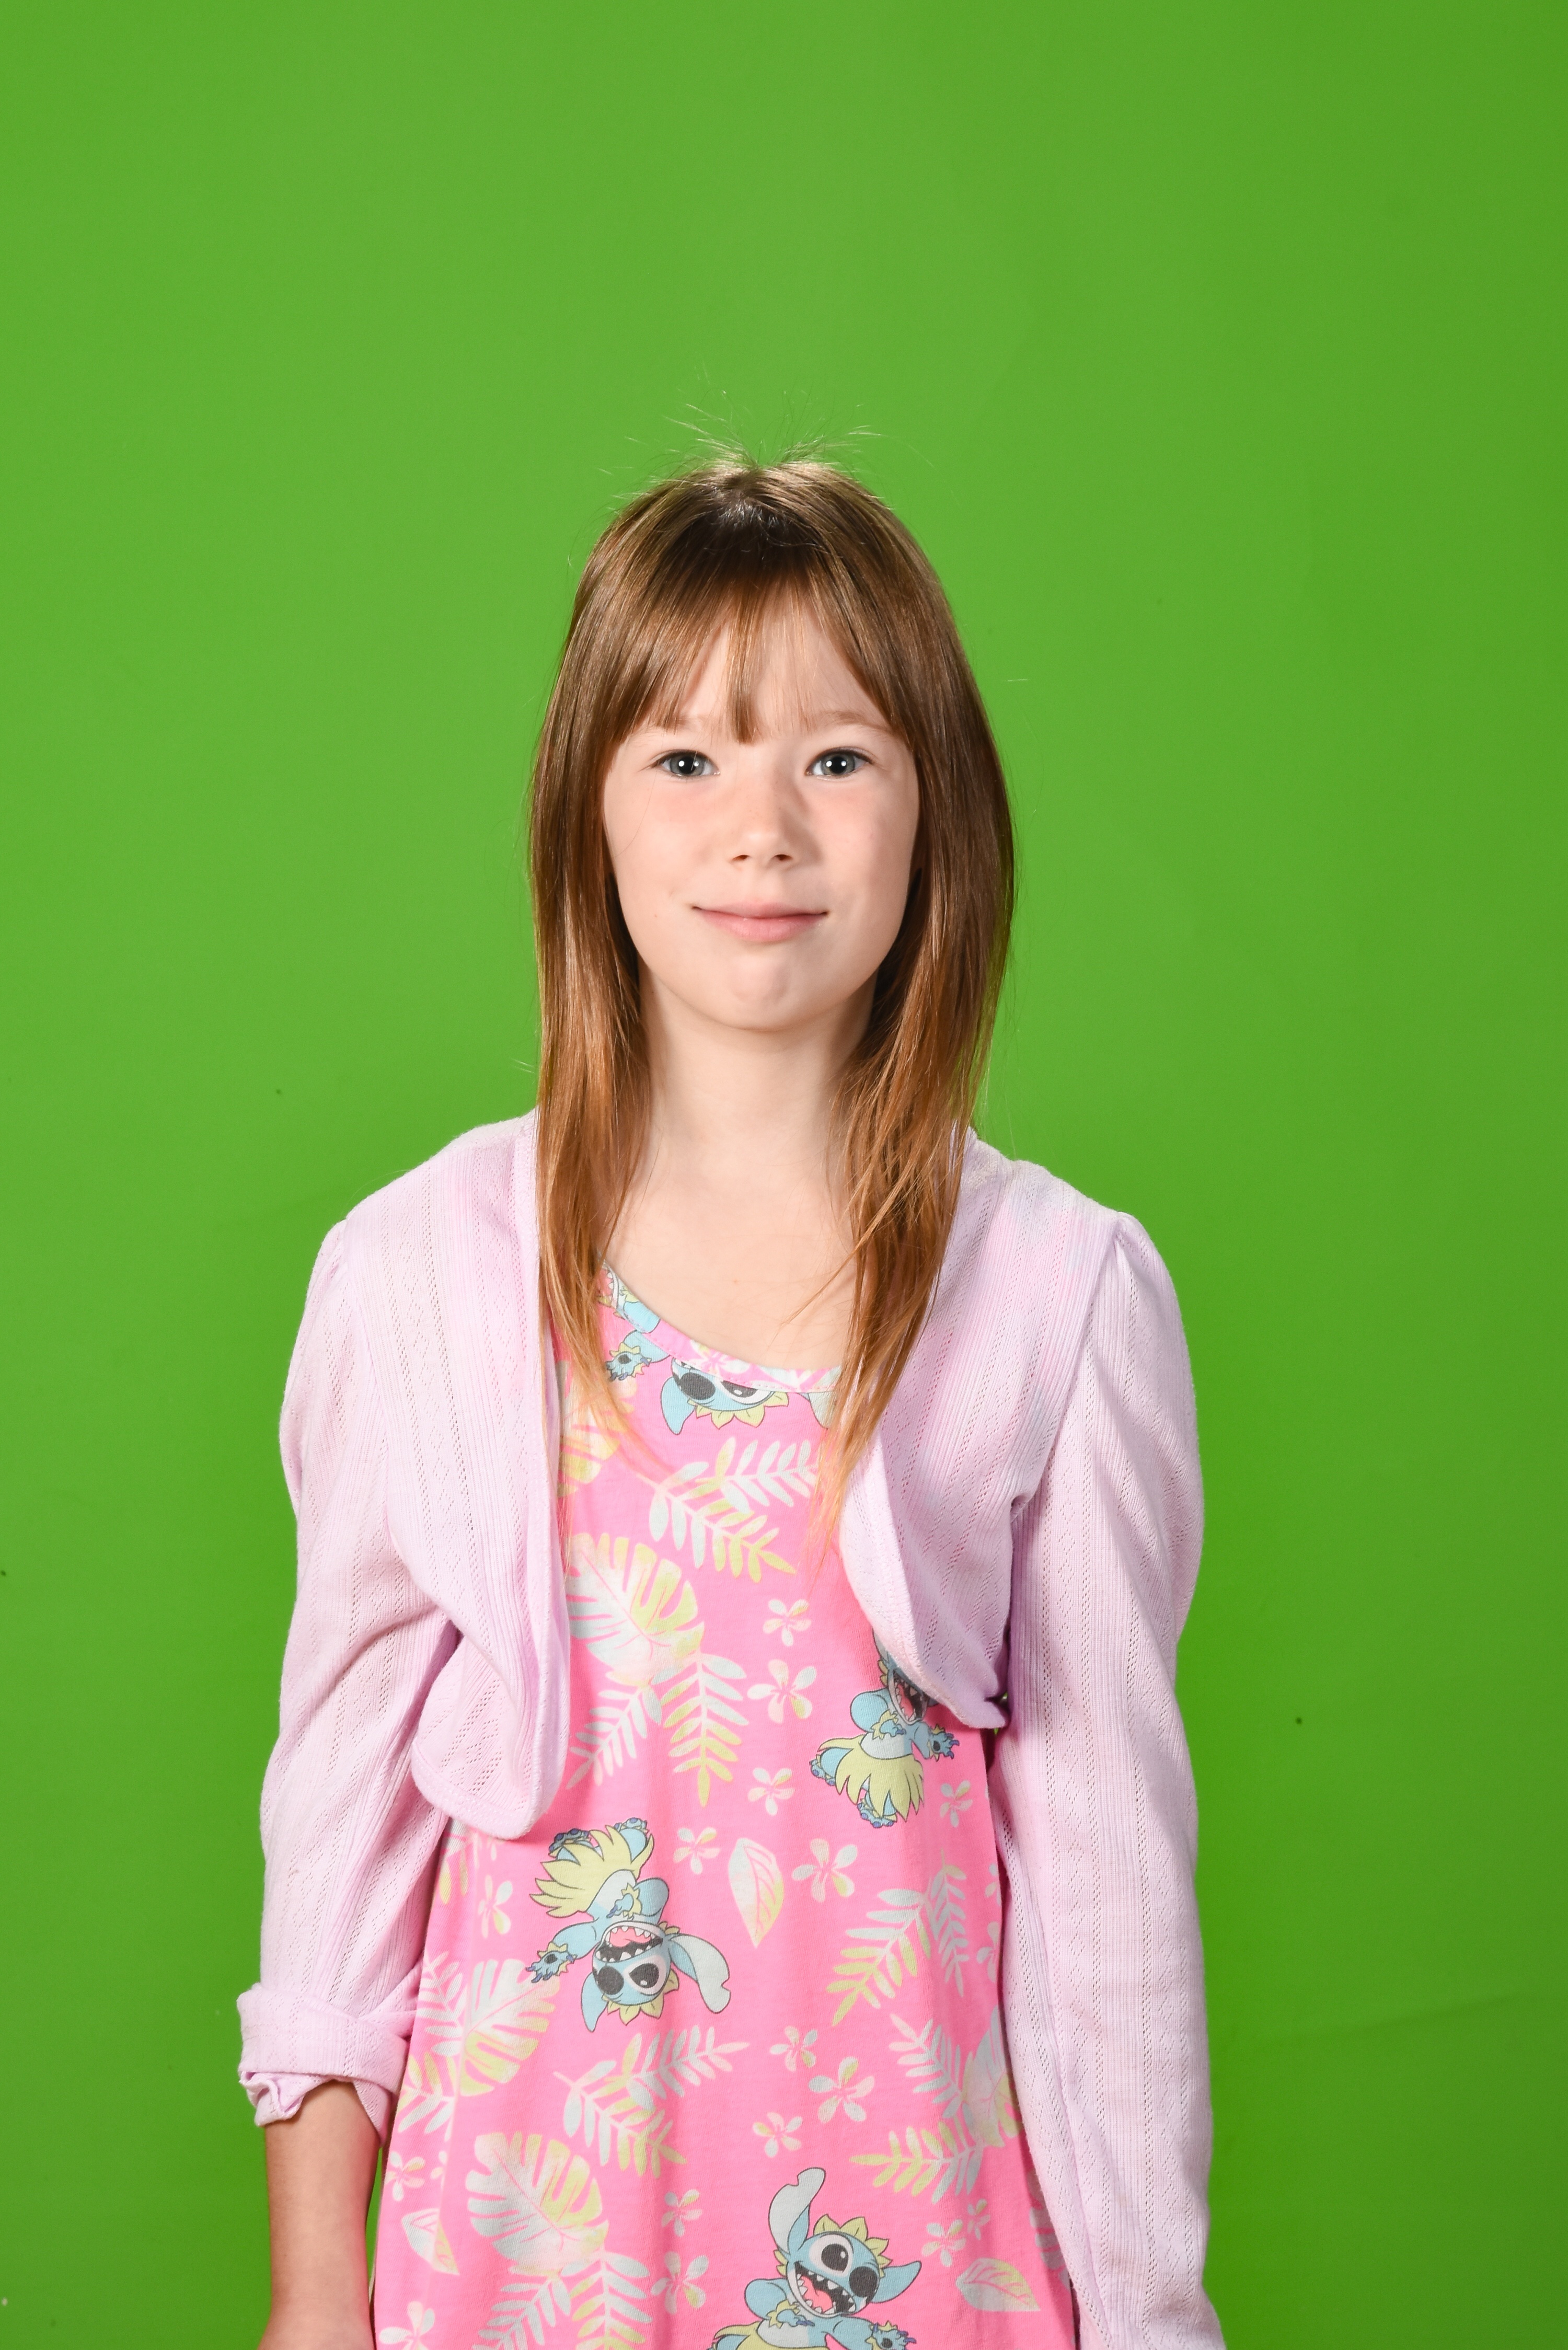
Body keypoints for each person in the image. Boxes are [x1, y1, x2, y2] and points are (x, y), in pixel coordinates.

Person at [238, 458, 1223, 2350]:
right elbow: (341, 1817)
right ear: (586, 813)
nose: (761, 828)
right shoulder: (419, 1273)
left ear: (939, 811)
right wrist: (309, 2295)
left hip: (934, 2270)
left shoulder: (1061, 1293)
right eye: (685, 757)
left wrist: (1151, 2318)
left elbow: (1112, 1901)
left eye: (838, 758)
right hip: (512, 2272)